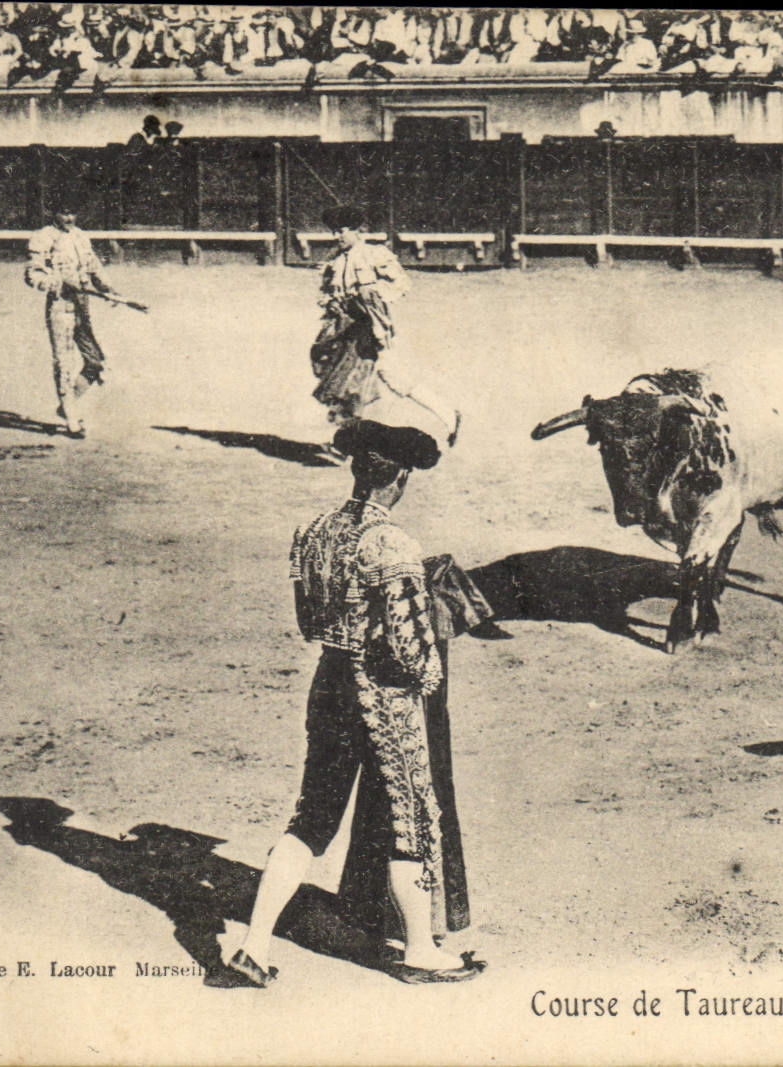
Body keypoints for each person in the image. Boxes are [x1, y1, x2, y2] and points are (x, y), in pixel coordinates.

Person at [226, 419, 483, 988]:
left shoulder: (312, 531)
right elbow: (410, 644)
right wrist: (428, 675)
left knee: (312, 817)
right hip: (381, 692)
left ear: (357, 471)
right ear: (400, 479)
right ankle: (421, 950)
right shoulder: (392, 543)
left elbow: (307, 621)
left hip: (328, 682)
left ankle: (252, 945)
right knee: (409, 815)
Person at [309, 205, 460, 447]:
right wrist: (331, 302)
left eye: (342, 231)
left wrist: (371, 294)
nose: (337, 236)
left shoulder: (374, 254)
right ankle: (345, 441)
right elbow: (326, 294)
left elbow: (401, 284)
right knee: (349, 380)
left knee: (384, 379)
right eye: (334, 231)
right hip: (346, 331)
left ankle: (447, 414)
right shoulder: (335, 261)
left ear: (357, 230)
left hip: (372, 329)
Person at [23, 206, 129, 436]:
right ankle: (71, 417)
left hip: (82, 305)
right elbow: (32, 273)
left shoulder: (80, 236)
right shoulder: (43, 237)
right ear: (54, 214)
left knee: (96, 362)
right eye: (64, 213)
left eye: (73, 213)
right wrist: (52, 282)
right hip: (60, 305)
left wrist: (109, 289)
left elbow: (94, 267)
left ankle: (65, 406)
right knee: (64, 362)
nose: (69, 218)